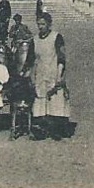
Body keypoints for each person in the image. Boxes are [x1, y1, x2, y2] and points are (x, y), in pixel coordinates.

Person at [30, 12, 70, 141]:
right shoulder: (35, 40)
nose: (40, 27)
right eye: (38, 24)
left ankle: (56, 130)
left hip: (54, 73)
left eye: (43, 24)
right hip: (41, 75)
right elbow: (31, 59)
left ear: (49, 24)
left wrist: (59, 75)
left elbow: (62, 57)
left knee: (55, 102)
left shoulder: (56, 37)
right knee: (41, 102)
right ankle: (42, 129)